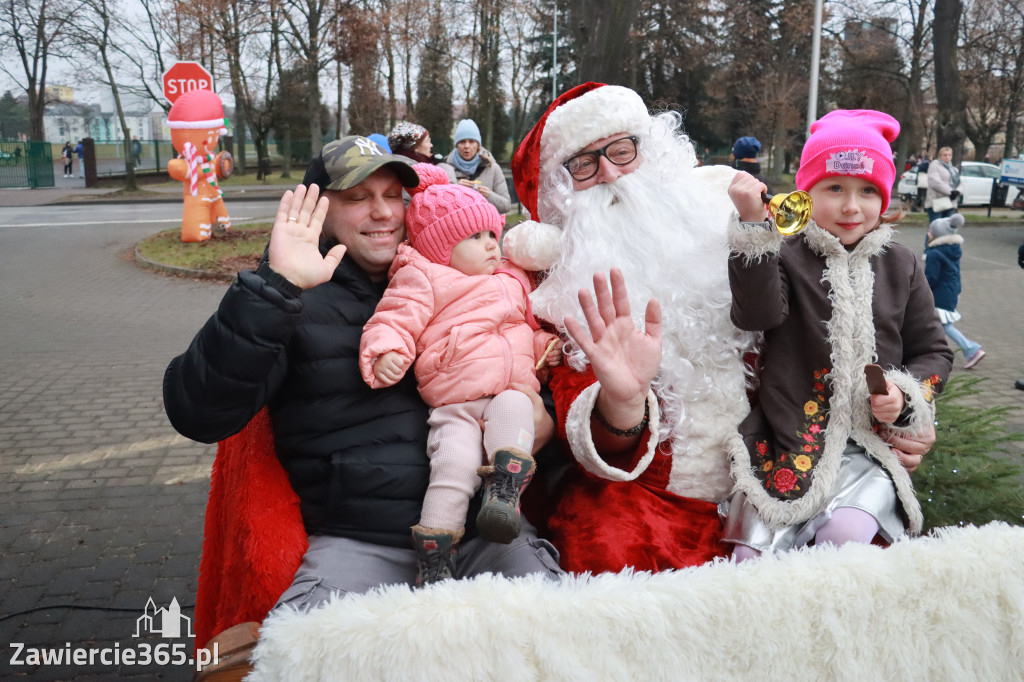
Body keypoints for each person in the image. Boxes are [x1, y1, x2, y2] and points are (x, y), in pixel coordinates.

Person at [504, 83, 937, 575]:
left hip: (785, 465)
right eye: (583, 164)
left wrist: (895, 421)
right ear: (560, 189)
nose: (609, 173)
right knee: (606, 557)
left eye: (622, 150)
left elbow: (847, 339)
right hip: (650, 498)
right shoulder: (561, 288)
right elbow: (584, 440)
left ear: (654, 150)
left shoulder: (736, 226)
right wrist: (623, 403)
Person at [163, 136, 562, 619]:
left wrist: (543, 422)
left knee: (557, 638)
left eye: (393, 195)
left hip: (485, 532)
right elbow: (199, 411)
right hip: (361, 542)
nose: (385, 214)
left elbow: (528, 369)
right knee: (315, 658)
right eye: (357, 198)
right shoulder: (293, 300)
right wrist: (274, 287)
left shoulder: (469, 279)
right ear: (320, 211)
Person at [722, 109, 953, 561]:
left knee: (846, 536)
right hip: (789, 442)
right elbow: (756, 314)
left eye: (868, 191)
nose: (852, 206)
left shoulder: (901, 264)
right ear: (805, 193)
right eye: (834, 189)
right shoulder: (785, 254)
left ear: (883, 199)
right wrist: (754, 228)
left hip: (871, 446)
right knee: (750, 559)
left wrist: (905, 399)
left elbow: (933, 351)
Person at [359, 163, 562, 585]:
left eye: (493, 234)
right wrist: (386, 352)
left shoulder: (509, 280)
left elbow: (524, 329)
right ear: (441, 247)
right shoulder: (424, 277)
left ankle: (504, 494)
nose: (491, 245)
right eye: (476, 238)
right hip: (455, 402)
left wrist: (546, 349)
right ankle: (435, 549)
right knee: (452, 467)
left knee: (515, 407)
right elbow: (393, 319)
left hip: (508, 390)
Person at [924, 214, 986, 369]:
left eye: (931, 231)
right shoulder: (953, 250)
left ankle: (971, 349)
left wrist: (920, 289)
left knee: (944, 326)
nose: (928, 233)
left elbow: (931, 278)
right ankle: (932, 353)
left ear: (937, 234)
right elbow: (955, 273)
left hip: (939, 295)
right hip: (951, 292)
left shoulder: (934, 254)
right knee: (937, 325)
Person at [444, 119, 512, 214]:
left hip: (485, 227)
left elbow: (506, 206)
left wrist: (488, 195)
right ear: (456, 145)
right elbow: (440, 205)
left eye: (471, 141)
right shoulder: (445, 168)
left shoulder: (492, 168)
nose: (467, 146)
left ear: (478, 145)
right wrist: (456, 189)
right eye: (462, 142)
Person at [388, 121, 455, 181]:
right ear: (414, 147)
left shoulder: (394, 163)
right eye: (427, 141)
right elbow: (449, 188)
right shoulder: (413, 170)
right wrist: (442, 165)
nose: (431, 145)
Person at [925, 146, 960, 223]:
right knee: (935, 229)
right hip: (937, 202)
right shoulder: (934, 165)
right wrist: (950, 192)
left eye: (949, 155)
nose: (947, 157)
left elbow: (959, 182)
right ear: (940, 156)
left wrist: (957, 191)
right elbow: (934, 182)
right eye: (945, 155)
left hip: (950, 202)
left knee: (947, 229)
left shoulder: (954, 169)